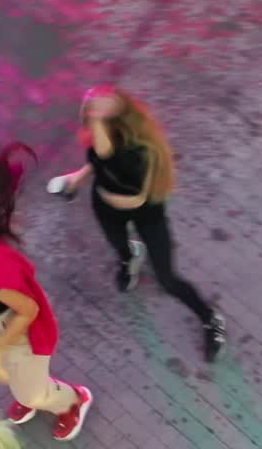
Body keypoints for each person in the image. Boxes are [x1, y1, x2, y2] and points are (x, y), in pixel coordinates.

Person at [49, 88, 227, 362]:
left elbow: (120, 176)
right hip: (106, 208)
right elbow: (98, 160)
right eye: (88, 116)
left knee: (168, 279)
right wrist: (76, 178)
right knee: (120, 247)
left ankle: (210, 318)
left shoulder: (139, 152)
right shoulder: (100, 139)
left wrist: (97, 130)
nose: (89, 122)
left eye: (95, 117)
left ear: (118, 120)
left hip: (147, 213)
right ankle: (129, 258)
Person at [0, 145, 92, 442]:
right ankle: (33, 388)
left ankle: (72, 400)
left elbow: (30, 311)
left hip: (17, 328)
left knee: (28, 389)